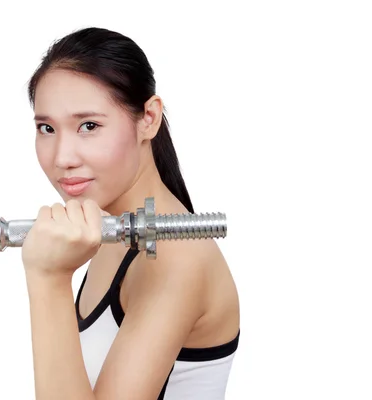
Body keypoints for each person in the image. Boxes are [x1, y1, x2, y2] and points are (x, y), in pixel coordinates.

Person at [20, 27, 240, 400]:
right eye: (47, 128)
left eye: (88, 126)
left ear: (148, 119)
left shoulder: (177, 258)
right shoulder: (108, 228)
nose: (62, 158)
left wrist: (49, 279)